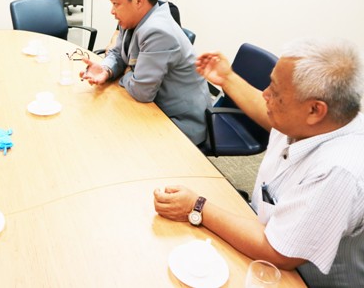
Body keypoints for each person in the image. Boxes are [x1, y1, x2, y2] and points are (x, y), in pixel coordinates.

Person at [154, 38, 364, 287]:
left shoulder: (338, 171)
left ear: (315, 110)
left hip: (299, 278)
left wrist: (196, 206)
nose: (265, 95)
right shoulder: (319, 119)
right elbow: (265, 109)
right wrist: (227, 78)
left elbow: (279, 252)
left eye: (275, 92)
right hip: (263, 230)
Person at [80, 0, 210, 145]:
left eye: (116, 3)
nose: (112, 11)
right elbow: (118, 52)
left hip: (179, 121)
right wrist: (106, 69)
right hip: (155, 107)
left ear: (138, 0)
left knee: (109, 137)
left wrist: (126, 73)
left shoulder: (158, 31)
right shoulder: (134, 18)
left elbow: (142, 92)